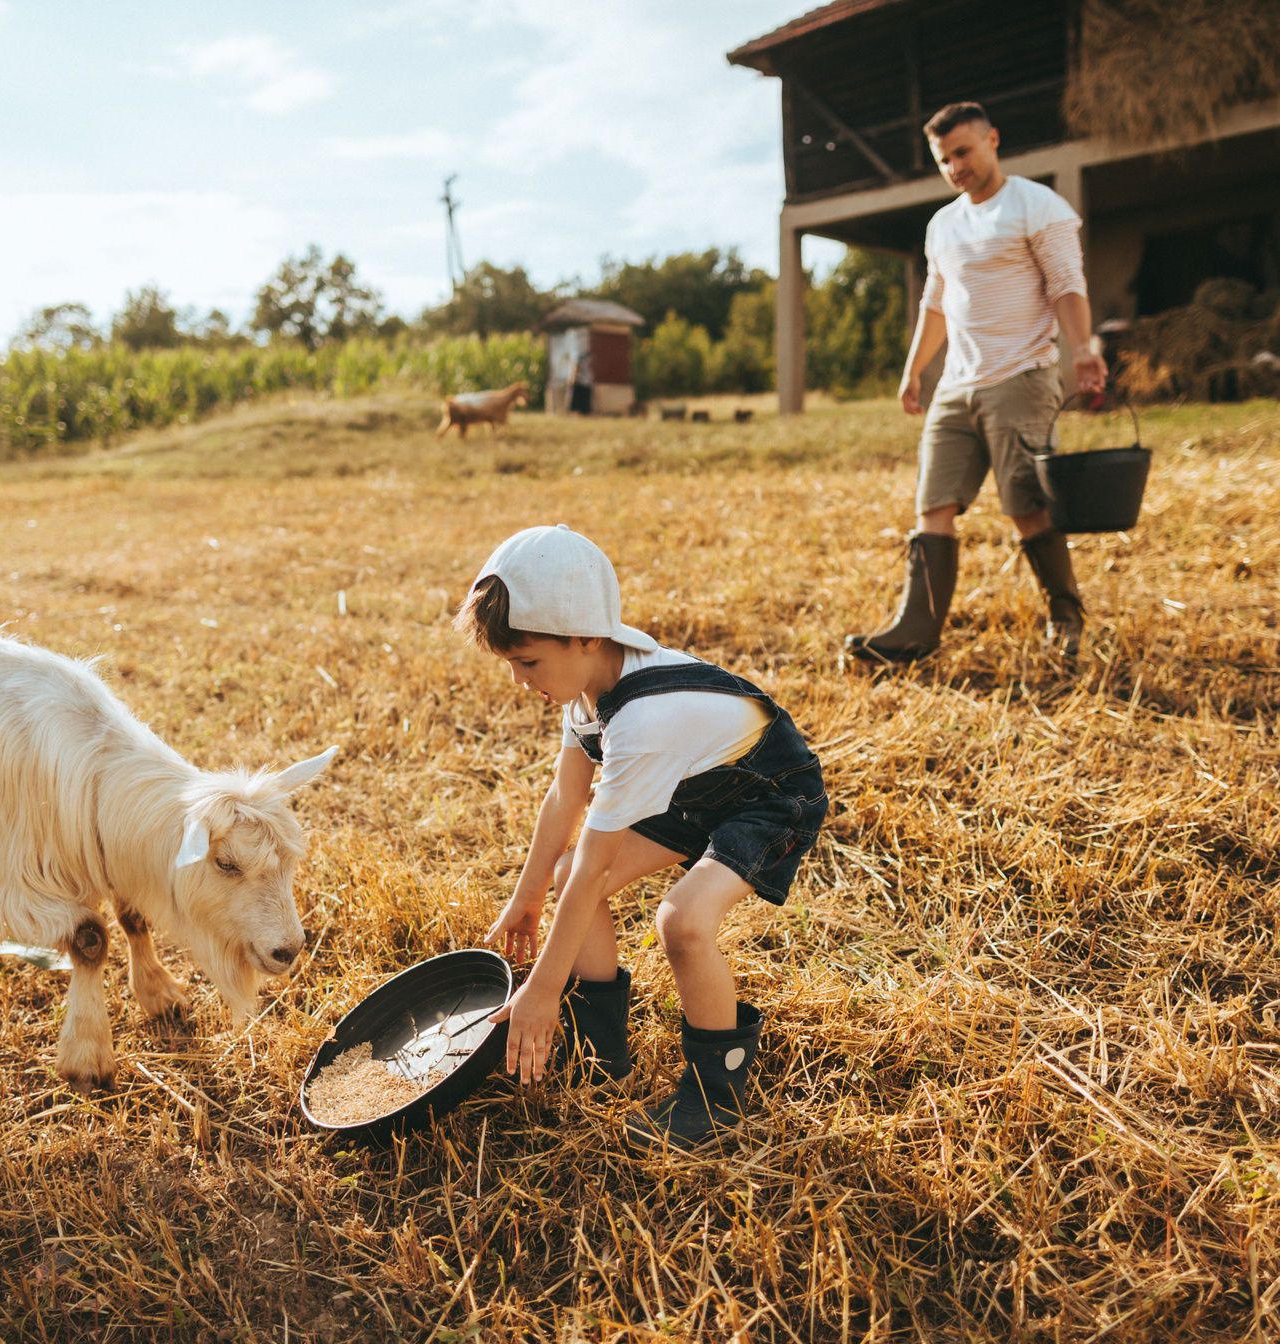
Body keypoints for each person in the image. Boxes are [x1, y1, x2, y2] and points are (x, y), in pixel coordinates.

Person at [453, 525, 827, 1150]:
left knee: (681, 921)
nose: (520, 679)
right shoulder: (585, 691)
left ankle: (716, 1095)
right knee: (571, 868)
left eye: (528, 661)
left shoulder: (643, 722)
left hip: (768, 796)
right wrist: (527, 896)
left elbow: (597, 868)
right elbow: (564, 798)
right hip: (693, 787)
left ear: (586, 637)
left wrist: (543, 990)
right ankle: (602, 1054)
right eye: (512, 663)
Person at [845, 101, 1109, 665]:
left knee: (1026, 506)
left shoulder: (1037, 205)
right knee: (932, 503)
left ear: (993, 139)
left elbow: (1066, 283)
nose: (956, 166)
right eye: (945, 159)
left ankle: (1066, 616)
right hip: (956, 388)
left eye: (963, 152)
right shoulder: (943, 224)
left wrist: (1083, 351)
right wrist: (915, 369)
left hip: (1022, 377)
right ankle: (914, 631)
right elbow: (934, 303)